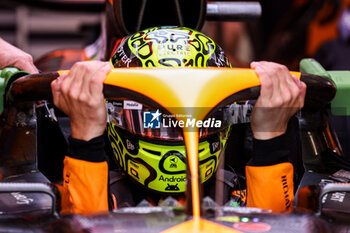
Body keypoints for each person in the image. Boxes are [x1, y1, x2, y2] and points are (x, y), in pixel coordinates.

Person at [50, 27, 306, 215]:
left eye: (201, 117)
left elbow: (273, 224)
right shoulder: (98, 193)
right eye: (153, 119)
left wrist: (271, 136)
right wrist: (85, 139)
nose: (179, 130)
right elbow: (79, 226)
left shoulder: (237, 196)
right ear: (111, 115)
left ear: (226, 117)